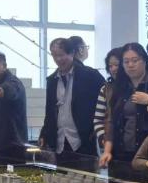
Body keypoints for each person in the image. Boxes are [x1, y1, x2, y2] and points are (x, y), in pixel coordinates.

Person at [99, 43, 148, 174]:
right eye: (126, 62)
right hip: (121, 153)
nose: (130, 65)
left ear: (144, 61)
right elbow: (111, 121)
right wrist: (107, 151)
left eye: (135, 60)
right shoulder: (120, 86)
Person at [39, 38, 106, 168]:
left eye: (61, 55)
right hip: (60, 142)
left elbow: (106, 97)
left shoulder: (90, 75)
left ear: (72, 53)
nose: (58, 59)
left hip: (84, 141)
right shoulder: (52, 80)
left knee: (86, 177)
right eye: (54, 55)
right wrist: (44, 133)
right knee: (62, 177)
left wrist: (97, 128)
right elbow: (50, 111)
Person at [93, 47, 123, 153]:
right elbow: (98, 119)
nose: (113, 69)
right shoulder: (105, 89)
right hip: (110, 146)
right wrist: (103, 137)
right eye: (110, 66)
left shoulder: (134, 87)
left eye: (117, 65)